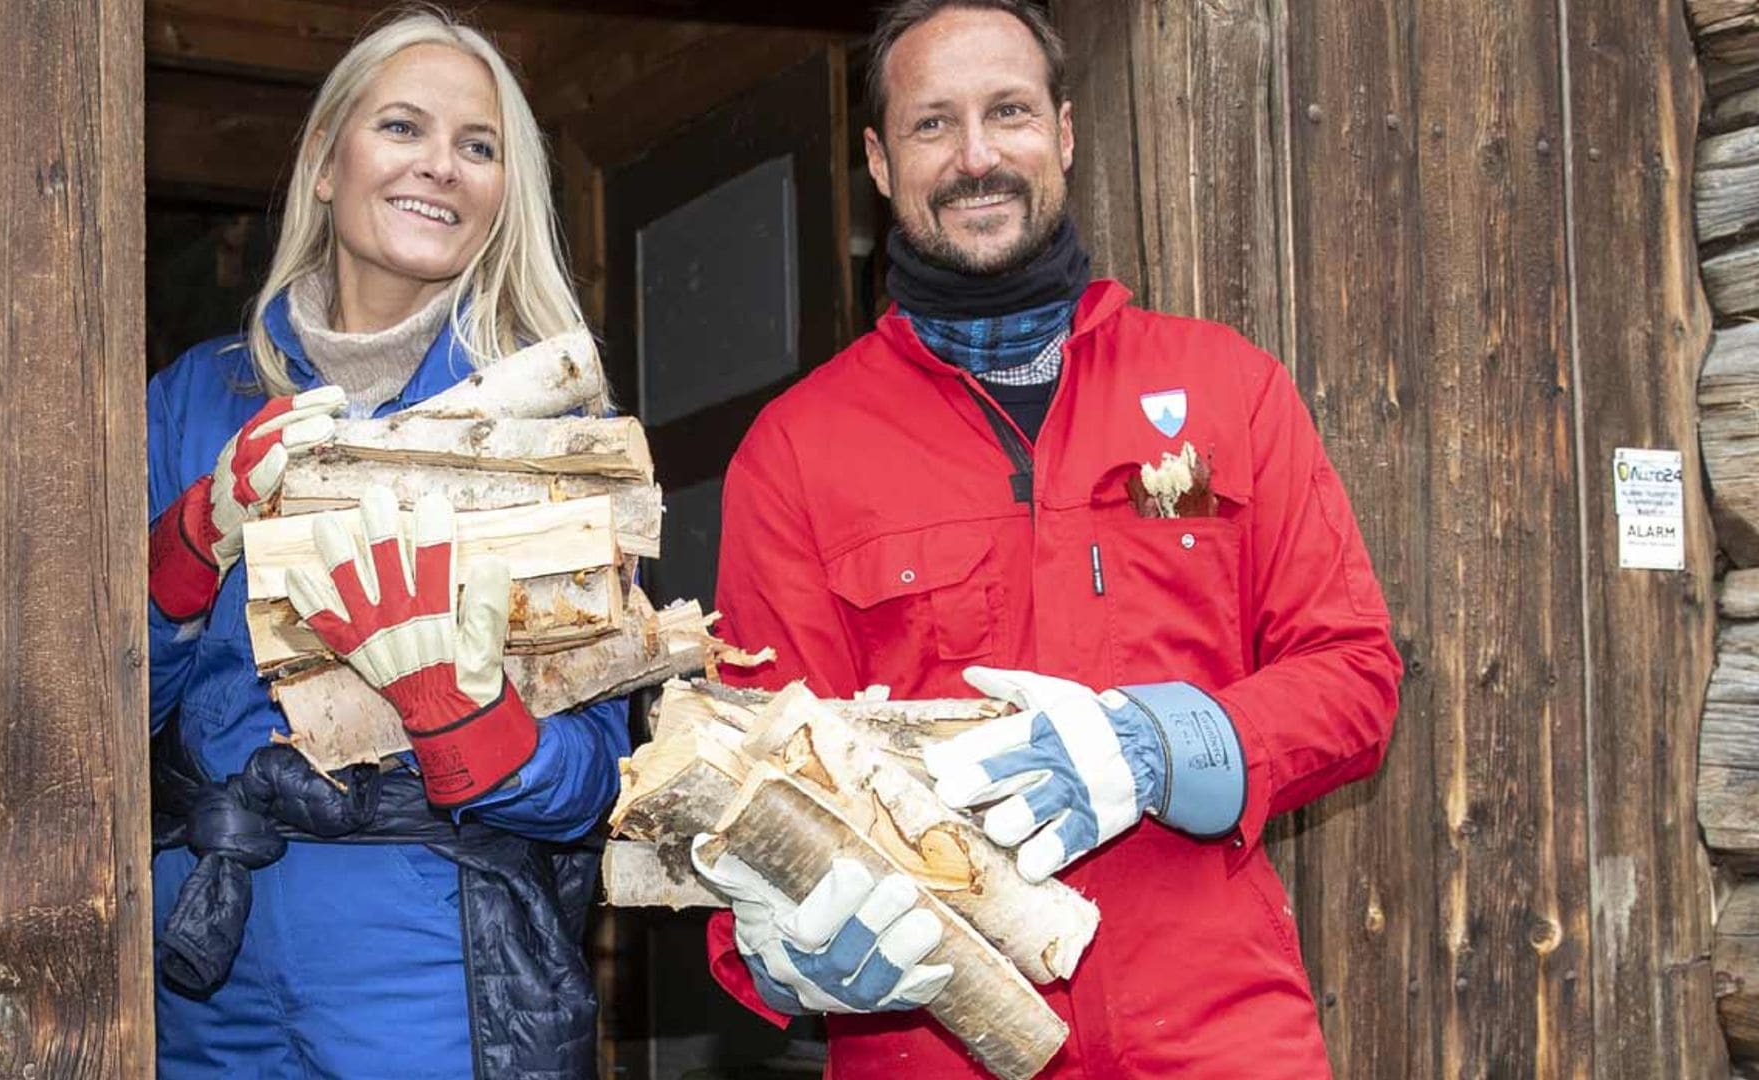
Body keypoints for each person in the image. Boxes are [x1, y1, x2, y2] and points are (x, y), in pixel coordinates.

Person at [695, 1, 1402, 1076]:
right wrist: (780, 947)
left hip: (1218, 1034)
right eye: (933, 125)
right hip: (933, 1039)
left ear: (1063, 134)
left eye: (1009, 112)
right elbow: (756, 780)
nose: (978, 157)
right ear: (880, 163)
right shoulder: (797, 454)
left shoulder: (1228, 388)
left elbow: (1354, 678)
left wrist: (1173, 743)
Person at [144, 9, 625, 1078]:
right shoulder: (192, 400)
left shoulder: (543, 427)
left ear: (506, 197)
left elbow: (599, 778)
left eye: (479, 146)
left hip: (428, 953)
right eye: (403, 127)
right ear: (325, 162)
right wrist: (183, 553)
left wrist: (468, 721)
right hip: (205, 950)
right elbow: (77, 725)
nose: (441, 168)